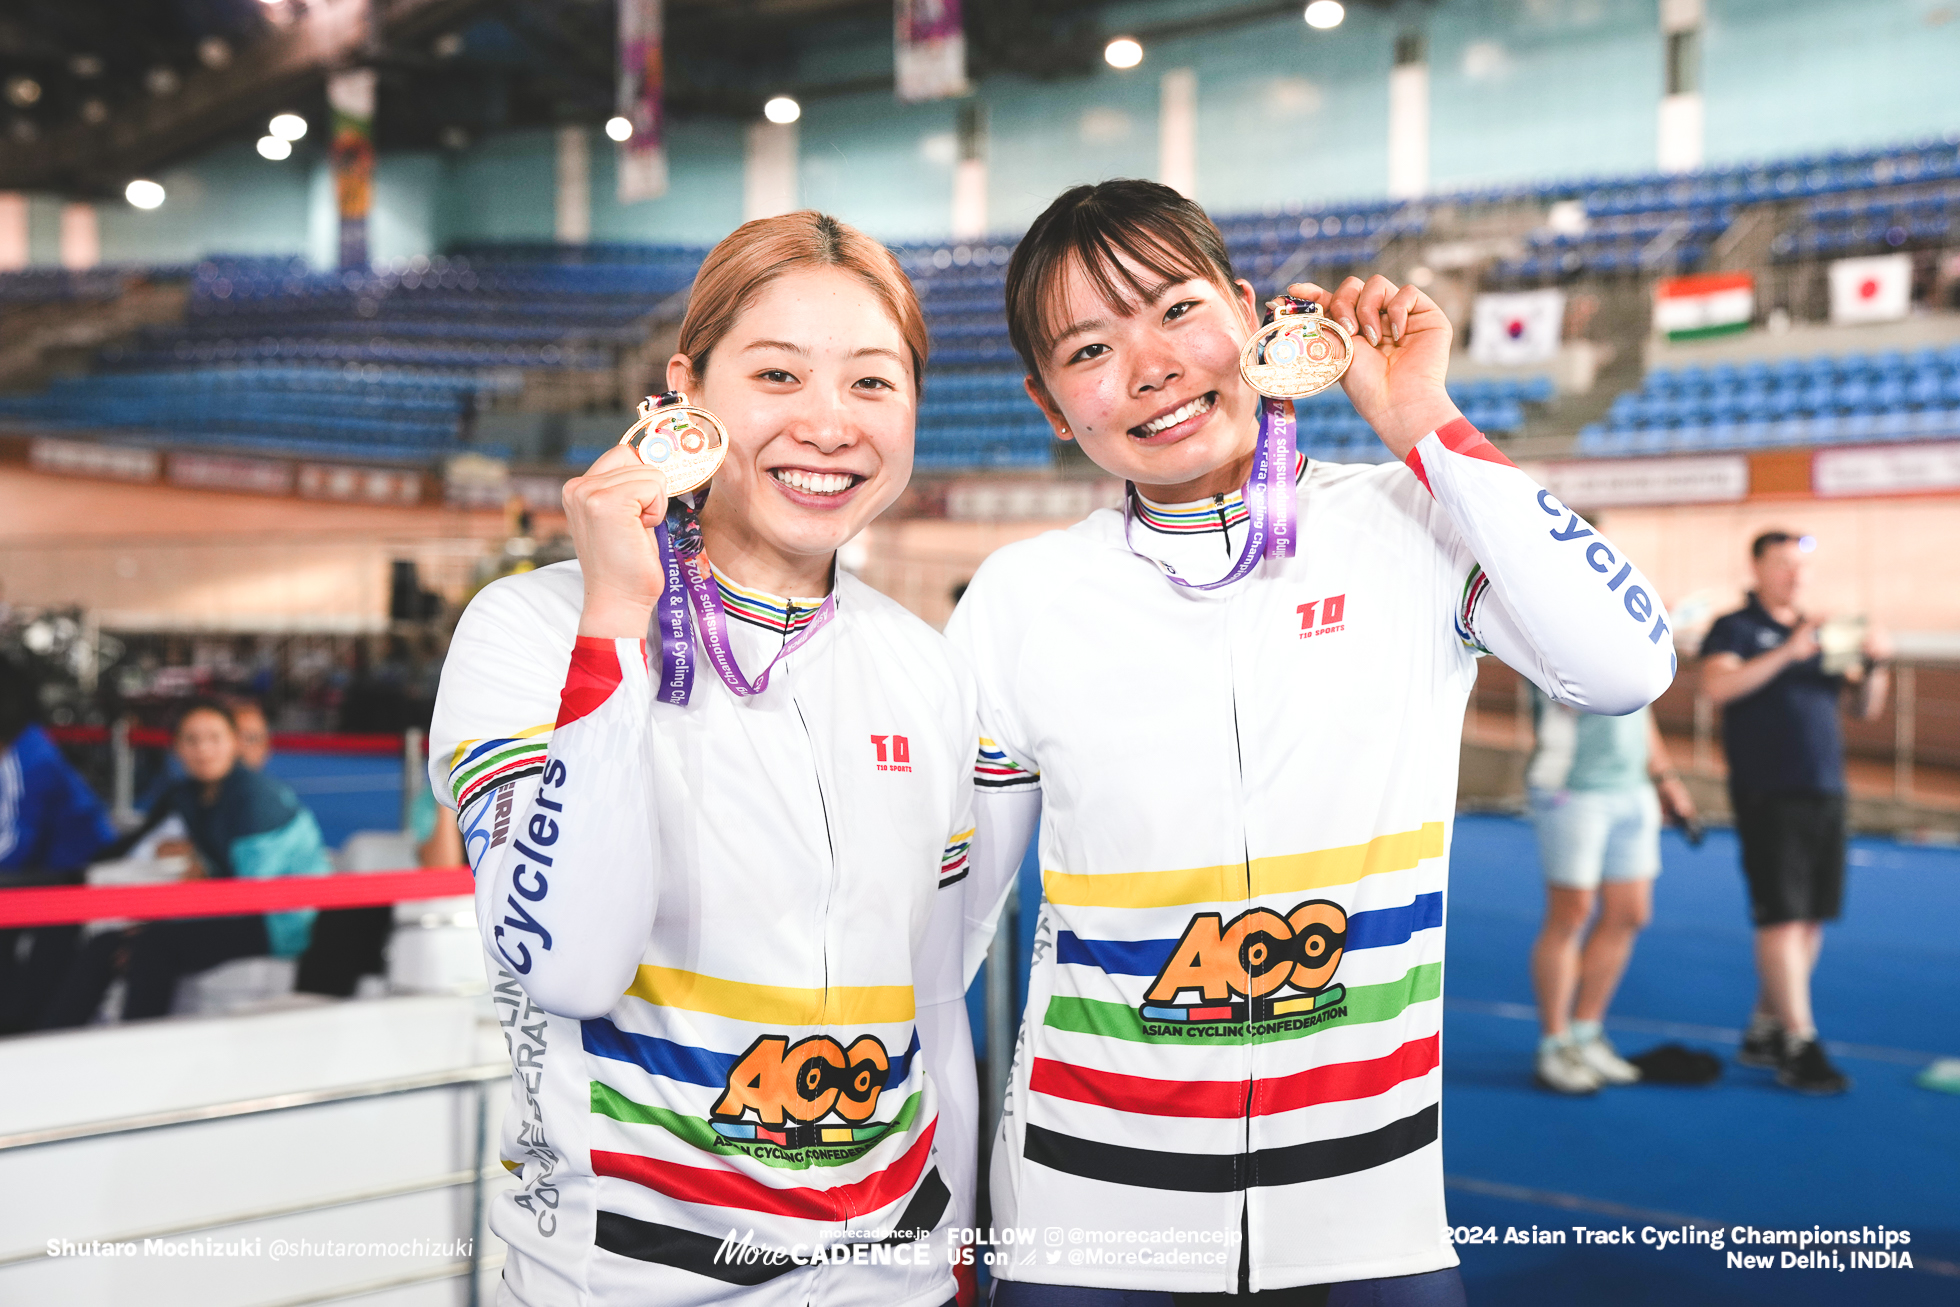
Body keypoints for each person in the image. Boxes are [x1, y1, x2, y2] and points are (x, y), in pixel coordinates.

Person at [945, 180, 1674, 1303]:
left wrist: (1420, 420)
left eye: (1179, 309)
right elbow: (944, 950)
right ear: (1050, 404)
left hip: (1368, 1213)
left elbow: (1624, 665)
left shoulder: (1412, 518)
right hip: (1087, 1219)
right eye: (1091, 346)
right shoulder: (1020, 597)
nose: (1151, 366)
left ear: (1251, 314)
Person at [429, 212, 976, 1307]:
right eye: (778, 374)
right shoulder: (528, 630)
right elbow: (564, 966)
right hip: (633, 1280)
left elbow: (931, 998)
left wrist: (955, 1231)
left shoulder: (925, 665)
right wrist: (614, 622)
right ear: (686, 389)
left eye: (873, 383)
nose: (829, 424)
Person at [1699, 530, 1890, 1095]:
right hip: (1768, 789)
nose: (1795, 576)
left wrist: (1875, 665)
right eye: (1783, 564)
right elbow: (1717, 689)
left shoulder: (1822, 634)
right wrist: (1788, 650)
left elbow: (1865, 708)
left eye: (1801, 566)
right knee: (1781, 915)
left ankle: (1764, 1028)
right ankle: (1799, 1042)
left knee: (1809, 917)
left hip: (1824, 786)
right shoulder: (1734, 628)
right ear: (1756, 568)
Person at [41, 699, 331, 1026]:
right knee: (105, 943)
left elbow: (252, 896)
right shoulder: (189, 795)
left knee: (152, 944)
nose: (203, 749)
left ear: (235, 743)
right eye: (191, 739)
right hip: (238, 909)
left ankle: (138, 1050)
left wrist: (168, 920)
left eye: (214, 738)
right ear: (177, 747)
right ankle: (46, 1042)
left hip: (282, 922)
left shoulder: (254, 798)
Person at [1525, 689, 1697, 1094]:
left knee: (1630, 913)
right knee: (1571, 915)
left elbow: (1640, 704)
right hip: (1572, 786)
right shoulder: (1556, 626)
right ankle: (1554, 1043)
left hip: (1631, 787)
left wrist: (1664, 776)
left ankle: (1586, 1033)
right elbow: (1580, 691)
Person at [0, 660, 116, 1032]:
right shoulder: (20, 747)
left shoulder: (24, 754)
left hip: (78, 868)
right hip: (48, 866)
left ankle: (19, 1023)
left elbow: (15, 840)